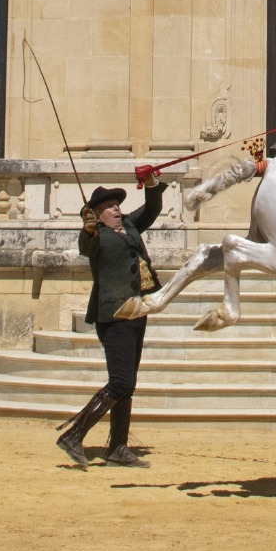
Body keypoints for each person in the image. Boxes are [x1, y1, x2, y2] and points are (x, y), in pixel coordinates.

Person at [55, 179, 168, 466]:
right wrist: (88, 227)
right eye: (109, 206)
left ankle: (117, 449)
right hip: (114, 315)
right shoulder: (97, 236)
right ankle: (73, 435)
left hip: (137, 311)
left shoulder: (130, 225)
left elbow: (152, 209)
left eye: (117, 204)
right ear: (97, 214)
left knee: (127, 385)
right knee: (120, 382)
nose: (116, 208)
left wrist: (152, 183)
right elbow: (86, 244)